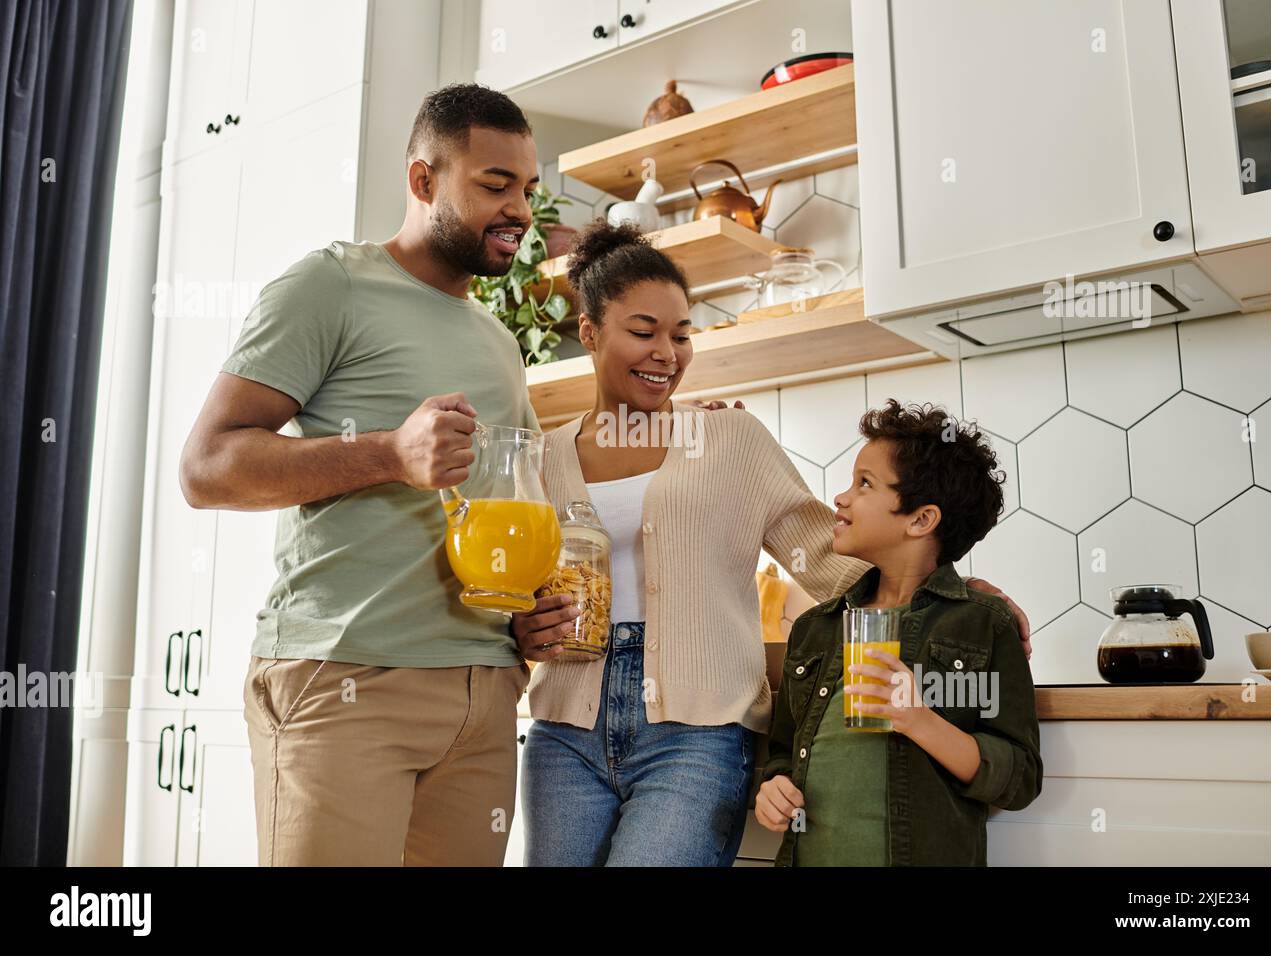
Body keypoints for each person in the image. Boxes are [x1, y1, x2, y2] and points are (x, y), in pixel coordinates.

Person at [509, 222, 1034, 866]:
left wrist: (954, 591)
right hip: (564, 725)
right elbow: (512, 590)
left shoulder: (730, 439)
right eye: (643, 332)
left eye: (681, 335)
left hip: (698, 731)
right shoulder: (541, 459)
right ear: (589, 332)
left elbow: (825, 553)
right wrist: (520, 623)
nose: (666, 354)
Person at [179, 84, 543, 865]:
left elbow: (515, 501)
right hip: (344, 678)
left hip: (483, 693)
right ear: (423, 181)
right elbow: (207, 467)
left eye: (527, 189)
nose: (519, 208)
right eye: (494, 184)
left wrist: (529, 614)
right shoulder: (330, 285)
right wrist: (388, 453)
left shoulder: (500, 342)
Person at [755, 400, 1043, 865]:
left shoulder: (983, 624)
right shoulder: (816, 627)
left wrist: (918, 720)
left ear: (920, 519)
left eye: (864, 484)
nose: (841, 498)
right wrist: (774, 787)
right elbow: (785, 752)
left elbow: (1020, 777)